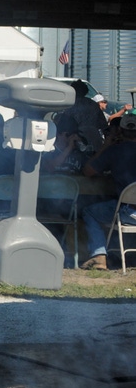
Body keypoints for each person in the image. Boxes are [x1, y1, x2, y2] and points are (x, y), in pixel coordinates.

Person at [79, 110, 136, 270]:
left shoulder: (115, 151)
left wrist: (106, 145)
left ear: (120, 130)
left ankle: (99, 256)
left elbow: (88, 171)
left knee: (90, 212)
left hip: (129, 212)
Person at [61, 80, 107, 153]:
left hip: (76, 139)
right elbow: (103, 125)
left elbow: (63, 124)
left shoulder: (70, 105)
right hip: (94, 138)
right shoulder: (93, 104)